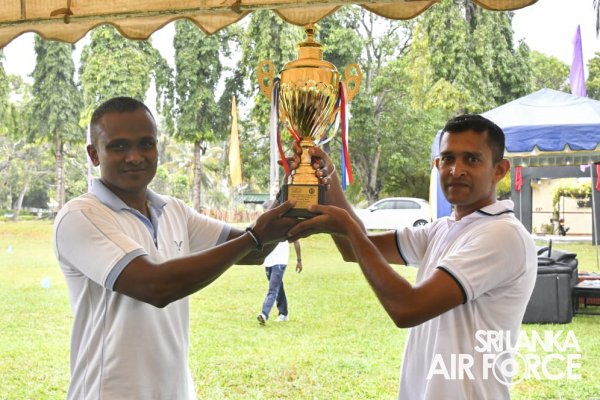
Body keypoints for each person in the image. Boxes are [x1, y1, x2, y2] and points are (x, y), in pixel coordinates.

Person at [52, 96, 299, 399]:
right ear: (94, 154)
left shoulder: (173, 210)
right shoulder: (80, 216)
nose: (135, 157)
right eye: (118, 146)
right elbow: (156, 286)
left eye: (146, 144)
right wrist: (254, 237)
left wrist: (294, 186)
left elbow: (255, 251)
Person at [287, 114, 537, 399]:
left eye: (472, 159)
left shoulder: (502, 235)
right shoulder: (443, 229)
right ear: (437, 165)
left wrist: (345, 225)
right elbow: (354, 249)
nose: (456, 170)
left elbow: (407, 308)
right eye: (448, 159)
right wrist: (327, 176)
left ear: (499, 170)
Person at [257, 238, 302, 325]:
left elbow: (296, 240)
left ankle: (264, 314)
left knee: (273, 289)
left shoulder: (286, 230)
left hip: (280, 261)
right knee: (278, 287)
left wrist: (299, 260)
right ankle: (283, 314)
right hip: (268, 262)